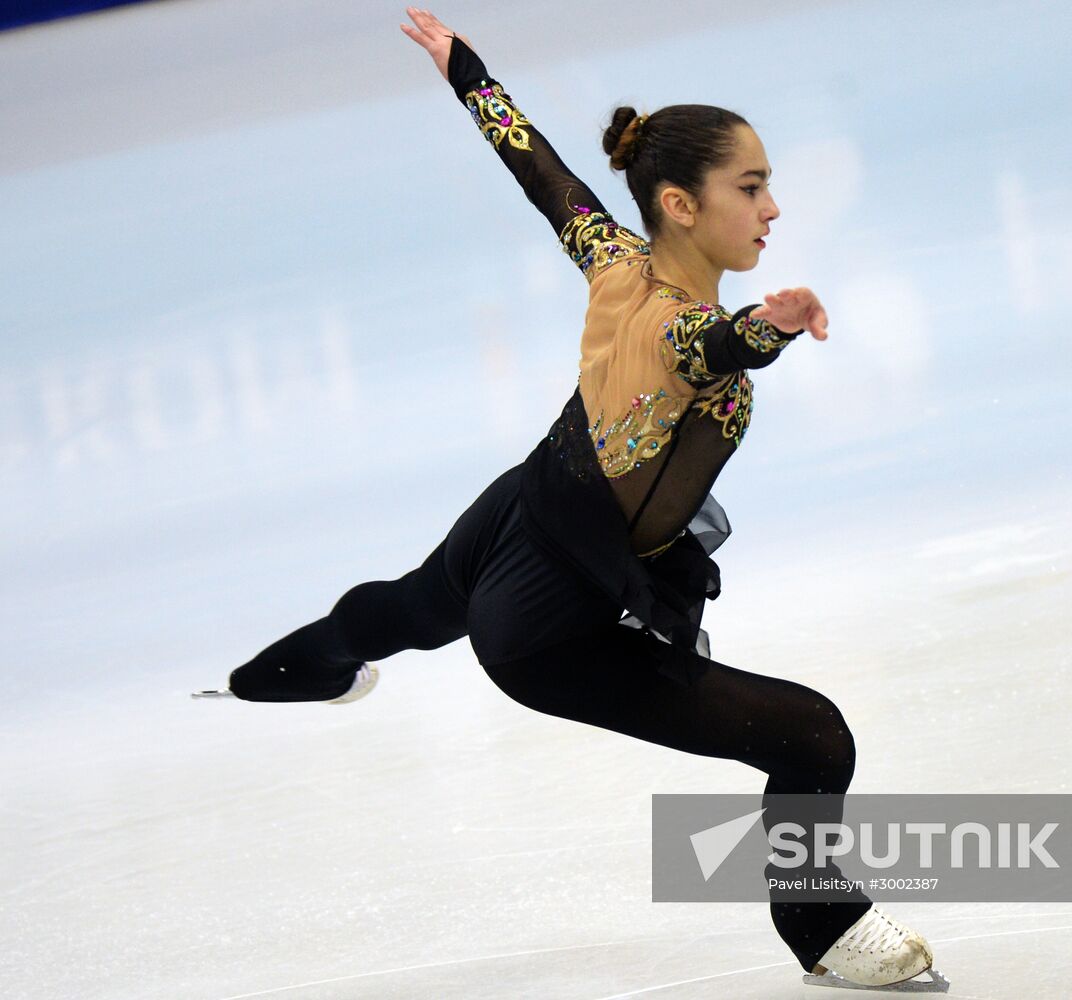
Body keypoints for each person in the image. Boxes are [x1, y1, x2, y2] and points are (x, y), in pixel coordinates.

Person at [197, 6, 941, 990]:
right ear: (681, 203)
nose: (771, 209)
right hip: (552, 628)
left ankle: (279, 672)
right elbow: (706, 349)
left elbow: (535, 167)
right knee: (814, 737)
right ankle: (824, 932)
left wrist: (467, 72)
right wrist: (773, 324)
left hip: (521, 509)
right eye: (752, 188)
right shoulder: (680, 324)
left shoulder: (610, 255)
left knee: (405, 608)